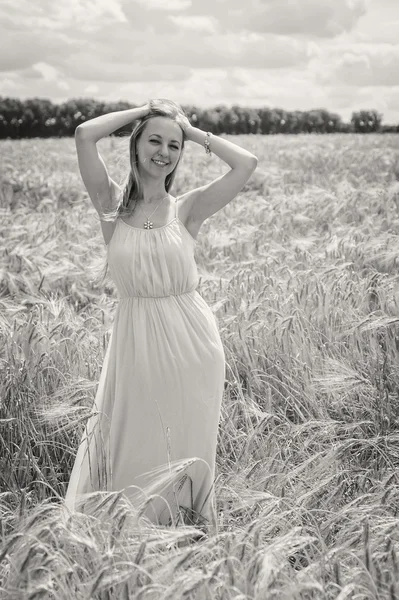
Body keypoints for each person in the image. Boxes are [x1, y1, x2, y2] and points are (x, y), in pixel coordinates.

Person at [64, 98, 258, 536]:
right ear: (135, 145)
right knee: (133, 437)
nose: (164, 152)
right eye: (154, 140)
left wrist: (189, 130)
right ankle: (130, 531)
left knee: (185, 444)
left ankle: (186, 532)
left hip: (193, 344)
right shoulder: (111, 204)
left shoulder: (187, 208)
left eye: (174, 146)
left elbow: (246, 164)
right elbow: (84, 135)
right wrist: (143, 112)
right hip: (136, 339)